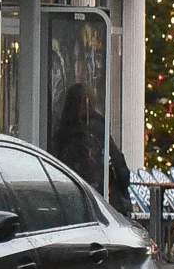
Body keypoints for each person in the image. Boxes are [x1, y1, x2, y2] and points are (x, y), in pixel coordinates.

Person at [51, 83, 132, 215]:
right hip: (98, 198)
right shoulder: (97, 127)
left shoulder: (62, 130)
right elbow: (118, 162)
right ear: (89, 102)